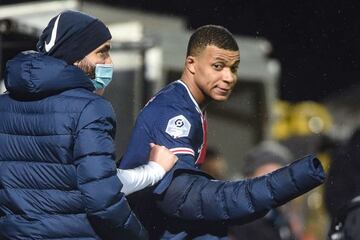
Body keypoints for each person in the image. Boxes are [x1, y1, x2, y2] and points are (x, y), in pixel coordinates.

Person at [120, 25, 326, 239]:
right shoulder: (175, 112)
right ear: (191, 64)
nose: (229, 77)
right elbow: (181, 197)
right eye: (218, 66)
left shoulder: (189, 106)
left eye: (233, 68)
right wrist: (283, 183)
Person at [0, 10, 177, 240]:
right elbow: (103, 196)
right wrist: (154, 173)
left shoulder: (4, 105)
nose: (109, 62)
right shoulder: (90, 109)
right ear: (75, 56)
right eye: (102, 53)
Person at [228, 141, 298, 240]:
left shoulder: (281, 221)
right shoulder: (237, 220)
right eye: (266, 178)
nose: (275, 186)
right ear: (249, 177)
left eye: (281, 179)